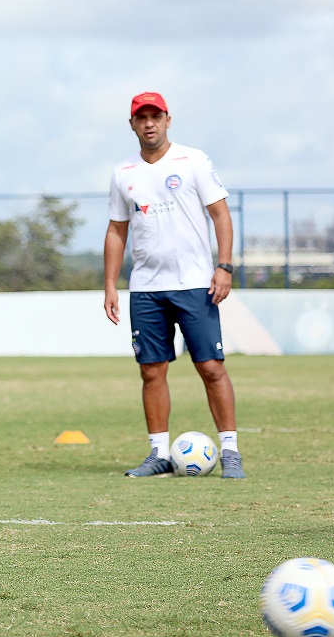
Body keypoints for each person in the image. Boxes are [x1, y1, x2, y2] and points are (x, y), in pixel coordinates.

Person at [104, 91, 244, 480]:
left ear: (168, 120)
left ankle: (230, 451)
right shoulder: (123, 173)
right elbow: (116, 231)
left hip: (196, 284)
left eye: (156, 116)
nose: (149, 123)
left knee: (211, 367)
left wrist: (225, 266)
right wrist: (111, 286)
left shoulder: (193, 160)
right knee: (151, 371)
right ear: (132, 124)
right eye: (141, 117)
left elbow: (220, 214)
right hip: (147, 287)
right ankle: (159, 455)